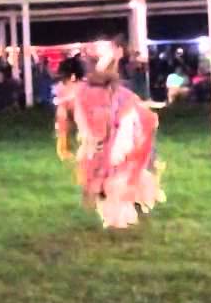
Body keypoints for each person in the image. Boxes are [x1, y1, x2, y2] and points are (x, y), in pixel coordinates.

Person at [54, 38, 165, 229]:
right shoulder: (85, 94)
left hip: (127, 133)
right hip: (116, 134)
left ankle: (122, 213)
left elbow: (116, 124)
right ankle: (122, 207)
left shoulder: (101, 94)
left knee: (117, 173)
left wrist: (112, 147)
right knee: (109, 173)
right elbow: (75, 122)